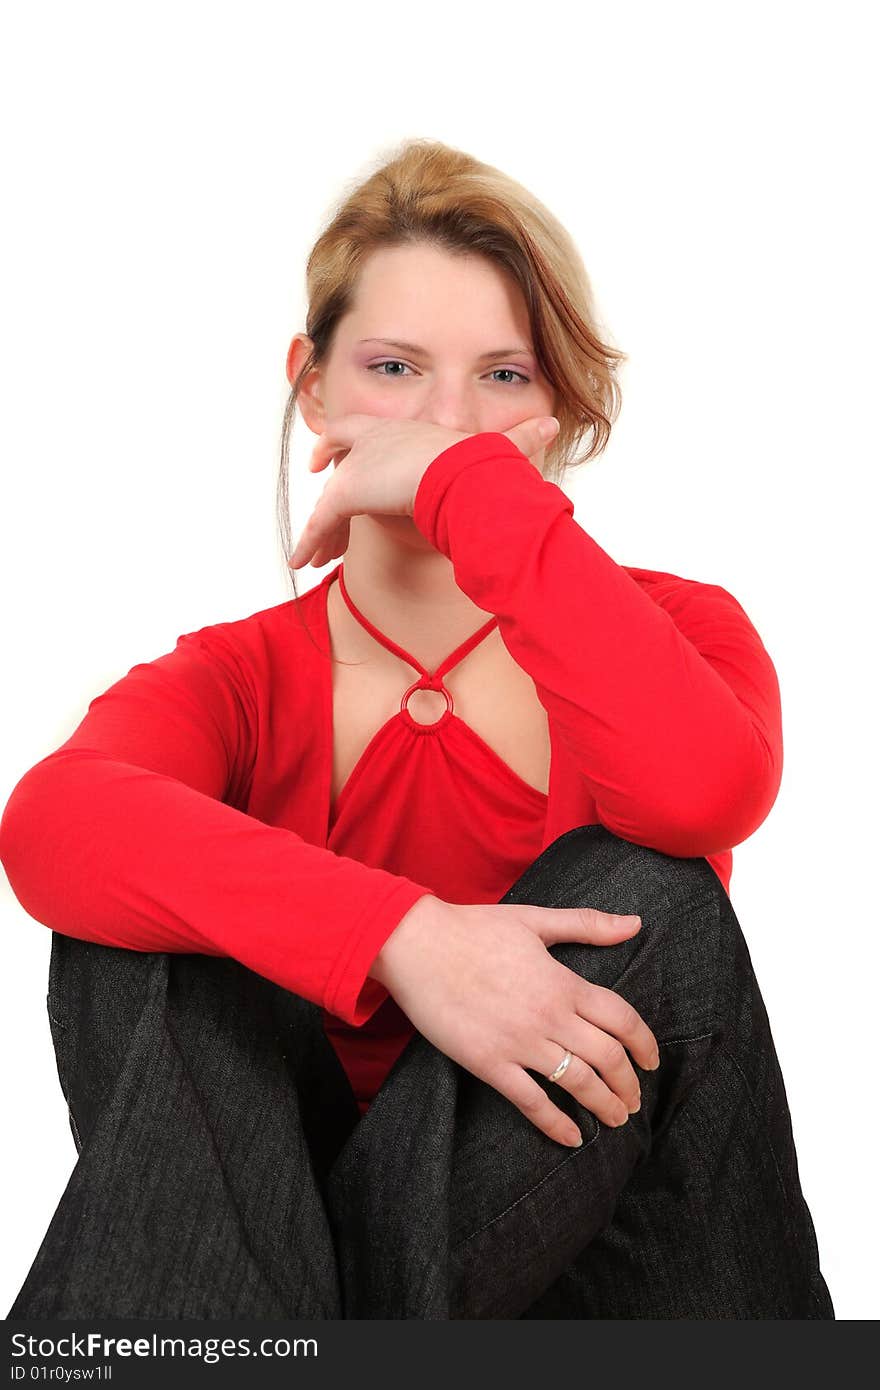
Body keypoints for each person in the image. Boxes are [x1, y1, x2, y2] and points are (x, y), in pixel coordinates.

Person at [0, 137, 834, 1319]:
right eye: (394, 369)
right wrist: (407, 938)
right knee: (126, 915)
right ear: (311, 384)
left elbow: (703, 795)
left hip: (610, 1259)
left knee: (654, 888)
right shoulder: (238, 678)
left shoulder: (678, 627)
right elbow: (50, 826)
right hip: (251, 1245)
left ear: (560, 404)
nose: (444, 420)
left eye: (503, 377)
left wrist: (462, 488)